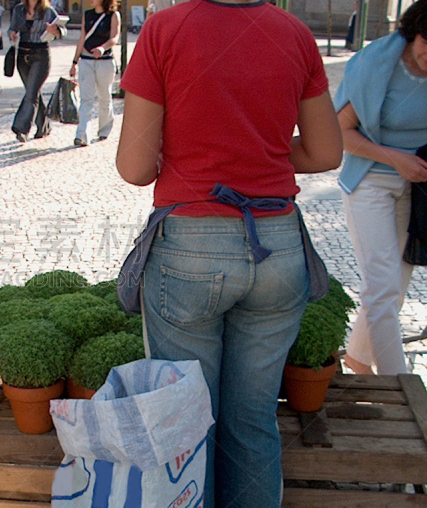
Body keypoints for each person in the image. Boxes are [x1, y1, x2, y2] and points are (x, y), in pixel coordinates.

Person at [116, 0, 343, 505]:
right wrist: (265, 161)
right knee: (252, 419)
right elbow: (327, 152)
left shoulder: (164, 30)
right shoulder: (295, 34)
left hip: (190, 247)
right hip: (278, 244)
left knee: (185, 424)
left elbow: (134, 167)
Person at [333, 0, 427, 376]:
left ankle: (357, 358)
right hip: (370, 177)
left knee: (395, 287)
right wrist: (395, 158)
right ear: (413, 31)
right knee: (382, 286)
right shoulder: (377, 65)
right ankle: (398, 384)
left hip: (417, 186)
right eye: (426, 42)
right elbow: (340, 133)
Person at [9, 0, 66, 142]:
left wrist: (56, 31)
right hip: (22, 55)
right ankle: (44, 126)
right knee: (33, 92)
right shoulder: (19, 10)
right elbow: (12, 27)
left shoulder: (48, 11)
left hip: (41, 55)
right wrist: (12, 33)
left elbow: (63, 31)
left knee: (31, 94)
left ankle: (22, 128)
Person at [69, 0, 120, 147]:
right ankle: (82, 135)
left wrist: (103, 48)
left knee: (104, 96)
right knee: (86, 98)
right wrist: (74, 62)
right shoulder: (87, 15)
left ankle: (104, 129)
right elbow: (82, 38)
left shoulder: (113, 15)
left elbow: (114, 37)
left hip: (105, 61)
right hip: (86, 60)